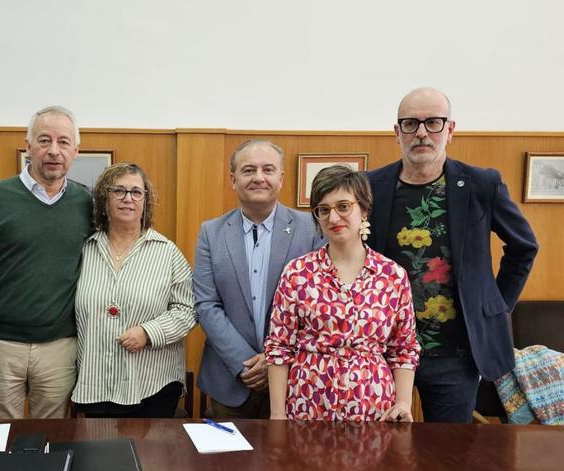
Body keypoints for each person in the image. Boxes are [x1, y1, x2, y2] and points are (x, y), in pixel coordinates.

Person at [366, 87, 539, 423]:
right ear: (396, 132)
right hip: (384, 350)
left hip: (456, 353)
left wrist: (496, 306)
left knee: (449, 457)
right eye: (410, 124)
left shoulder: (480, 184)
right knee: (380, 452)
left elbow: (524, 247)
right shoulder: (372, 186)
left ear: (450, 129)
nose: (421, 133)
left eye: (433, 122)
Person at [0, 105, 93, 419]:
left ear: (76, 151)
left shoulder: (86, 203)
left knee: (52, 441)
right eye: (44, 140)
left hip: (61, 347)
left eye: (63, 142)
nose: (54, 151)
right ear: (28, 145)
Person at [266, 165, 420, 421]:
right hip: (307, 407)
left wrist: (403, 403)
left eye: (343, 206)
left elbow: (404, 348)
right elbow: (279, 347)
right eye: (323, 210)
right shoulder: (297, 272)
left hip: (373, 411)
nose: (333, 218)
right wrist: (277, 415)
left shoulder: (392, 276)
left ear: (364, 210)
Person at [193, 139, 323, 418]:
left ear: (281, 178)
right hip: (230, 380)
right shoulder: (211, 233)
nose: (259, 178)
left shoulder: (311, 229)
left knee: (289, 461)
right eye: (249, 170)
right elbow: (206, 304)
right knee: (229, 462)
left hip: (296, 379)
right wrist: (245, 363)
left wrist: (274, 360)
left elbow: (318, 307)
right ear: (233, 179)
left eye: (268, 169)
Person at [71, 163, 196, 417]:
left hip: (153, 383)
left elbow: (188, 310)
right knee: (100, 454)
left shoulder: (167, 253)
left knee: (151, 456)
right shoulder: (84, 250)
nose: (128, 198)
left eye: (136, 192)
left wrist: (149, 332)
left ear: (145, 201)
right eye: (119, 191)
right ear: (104, 200)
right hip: (96, 382)